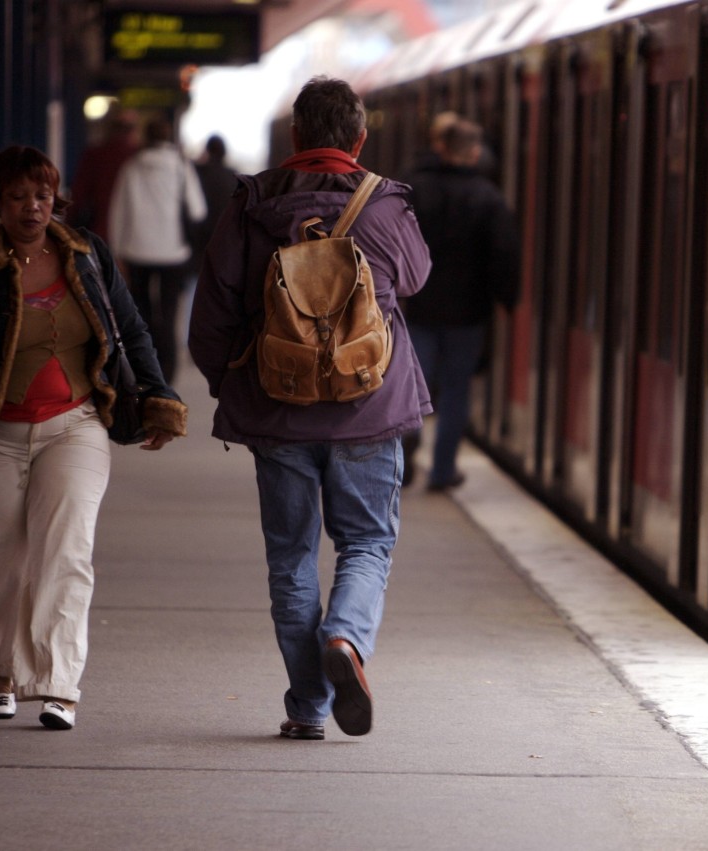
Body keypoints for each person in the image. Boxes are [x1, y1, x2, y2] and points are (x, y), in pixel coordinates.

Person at [189, 76, 432, 740]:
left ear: (294, 136)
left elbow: (210, 320)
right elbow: (414, 278)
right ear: (359, 137)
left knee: (290, 556)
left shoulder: (252, 203)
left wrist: (240, 387)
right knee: (366, 540)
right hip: (369, 408)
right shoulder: (384, 206)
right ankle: (348, 640)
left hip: (280, 407)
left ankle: (308, 706)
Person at [0, 145, 188, 730]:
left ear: (55, 198)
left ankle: (59, 684)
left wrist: (159, 396)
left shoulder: (87, 257)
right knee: (2, 558)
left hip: (76, 425)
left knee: (66, 552)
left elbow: (133, 330)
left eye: (42, 196)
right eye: (17, 197)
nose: (32, 208)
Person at [401, 117, 520, 490]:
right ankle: (442, 470)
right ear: (473, 153)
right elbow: (505, 253)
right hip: (468, 314)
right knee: (456, 391)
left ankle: (402, 460)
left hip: (418, 307)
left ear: (440, 148)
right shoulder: (488, 197)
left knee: (411, 388)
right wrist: (507, 299)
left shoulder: (414, 188)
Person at [109, 116, 207, 383]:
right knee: (169, 311)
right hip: (174, 253)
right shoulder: (180, 166)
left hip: (135, 250)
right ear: (168, 139)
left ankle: (144, 369)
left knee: (141, 312)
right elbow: (198, 209)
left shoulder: (131, 167)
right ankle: (168, 373)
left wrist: (116, 250)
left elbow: (118, 211)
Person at [68, 105, 139, 243]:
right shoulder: (138, 157)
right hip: (134, 237)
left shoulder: (94, 155)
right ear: (134, 130)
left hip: (100, 232)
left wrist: (67, 225)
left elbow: (78, 194)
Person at [191, 134, 238, 273]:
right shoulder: (233, 176)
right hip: (224, 239)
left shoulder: (197, 173)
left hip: (200, 239)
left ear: (207, 151)